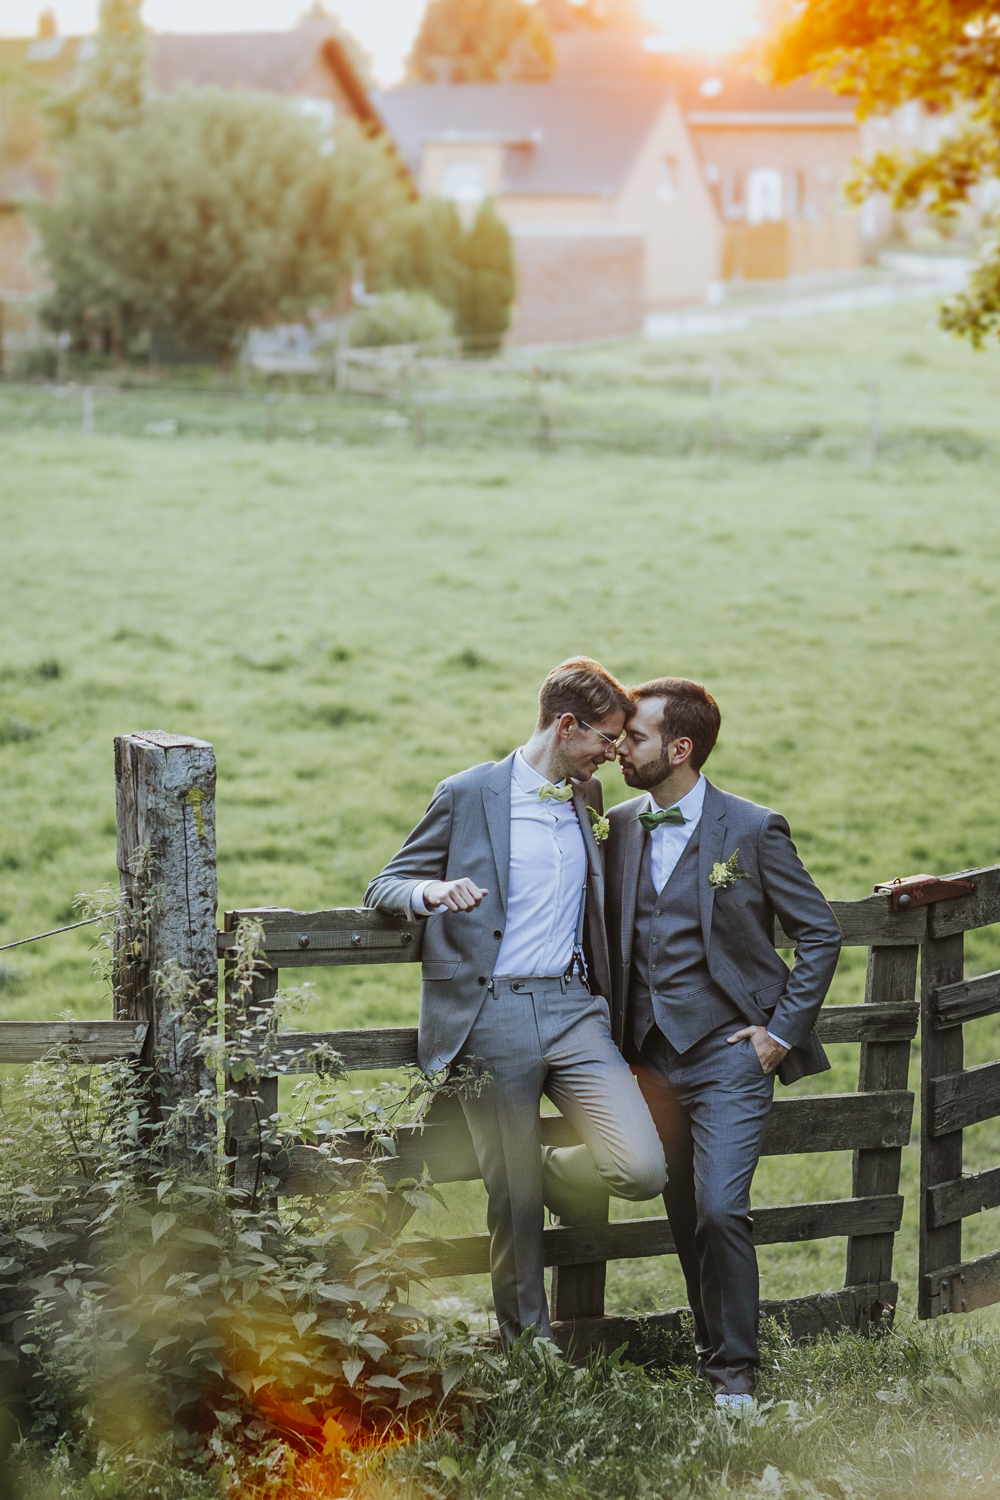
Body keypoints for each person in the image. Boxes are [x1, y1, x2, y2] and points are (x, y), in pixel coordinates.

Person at [364, 657, 666, 1343]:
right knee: (515, 1202)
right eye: (606, 739)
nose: (614, 754)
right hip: (491, 1014)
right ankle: (530, 1353)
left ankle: (559, 1169)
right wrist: (430, 893)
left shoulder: (585, 798)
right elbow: (385, 884)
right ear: (566, 726)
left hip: (573, 1010)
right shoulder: (468, 794)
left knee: (642, 1167)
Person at [604, 677, 841, 1407]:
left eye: (634, 738)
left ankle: (736, 1380)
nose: (620, 749)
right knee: (682, 1216)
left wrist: (777, 1036)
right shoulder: (614, 823)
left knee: (719, 1211)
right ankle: (714, 1356)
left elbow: (821, 932)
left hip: (728, 1058)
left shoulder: (752, 828)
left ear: (680, 748)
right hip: (646, 1060)